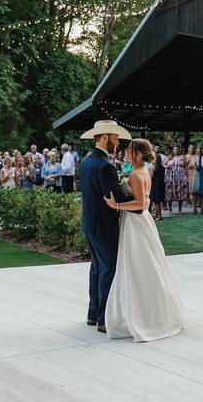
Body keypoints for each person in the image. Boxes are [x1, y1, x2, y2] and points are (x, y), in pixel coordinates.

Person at [101, 137, 184, 342]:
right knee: (143, 265)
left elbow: (140, 204)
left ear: (138, 153)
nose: (126, 152)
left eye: (129, 150)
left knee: (139, 266)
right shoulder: (141, 171)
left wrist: (116, 206)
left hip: (136, 223)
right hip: (137, 223)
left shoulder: (138, 174)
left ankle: (144, 317)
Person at [78, 120, 130, 334]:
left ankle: (92, 314)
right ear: (104, 137)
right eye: (115, 138)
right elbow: (113, 196)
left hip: (89, 221)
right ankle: (103, 319)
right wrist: (131, 190)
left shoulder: (86, 160)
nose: (117, 142)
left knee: (97, 268)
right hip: (105, 223)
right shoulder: (105, 165)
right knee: (108, 268)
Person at [164, 146, 189, 213]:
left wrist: (186, 176)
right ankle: (170, 209)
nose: (176, 150)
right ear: (172, 150)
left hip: (180, 177)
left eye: (177, 149)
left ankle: (180, 209)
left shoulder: (182, 157)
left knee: (180, 192)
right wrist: (167, 166)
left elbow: (186, 166)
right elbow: (163, 165)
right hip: (171, 177)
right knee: (170, 192)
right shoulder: (169, 157)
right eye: (175, 149)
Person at [148, 150, 166, 221]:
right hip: (161, 184)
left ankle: (159, 215)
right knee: (158, 201)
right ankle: (157, 214)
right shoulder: (162, 166)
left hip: (155, 184)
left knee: (156, 201)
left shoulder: (154, 167)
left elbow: (151, 176)